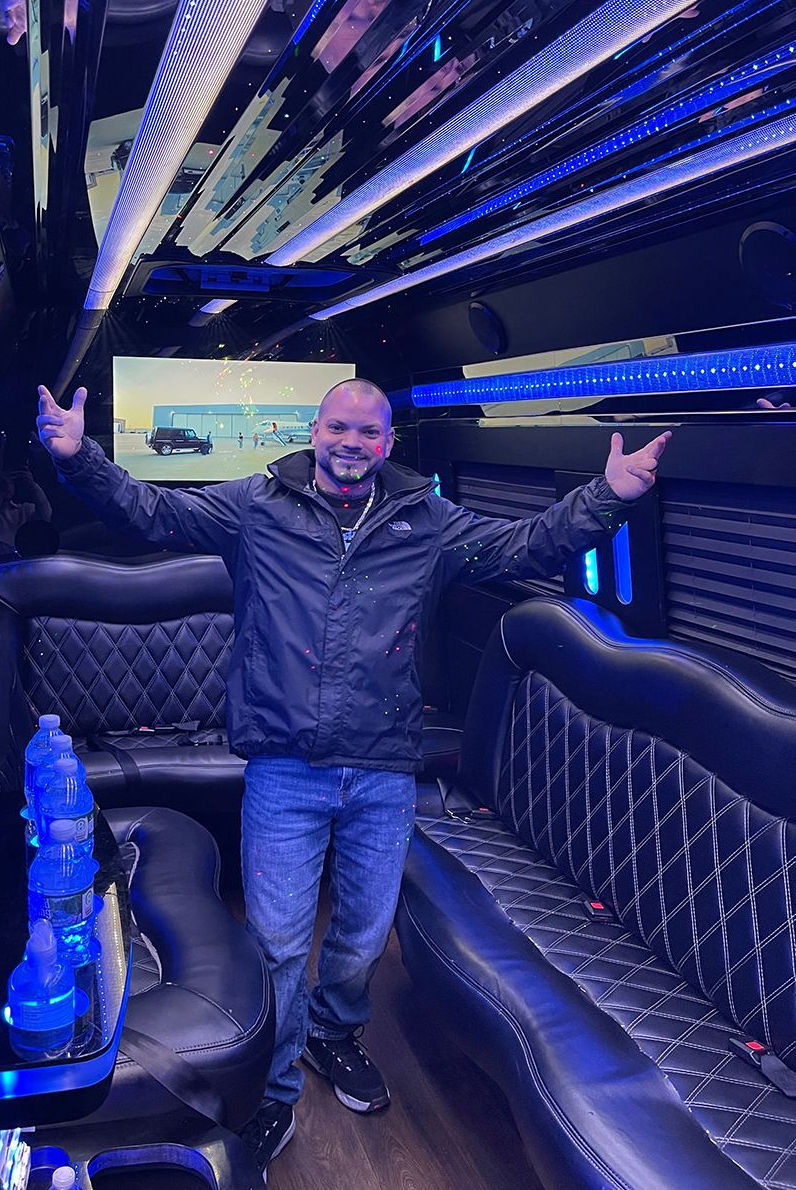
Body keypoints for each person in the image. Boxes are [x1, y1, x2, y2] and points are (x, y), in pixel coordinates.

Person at [36, 378, 670, 1179]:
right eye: (339, 426)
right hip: (285, 769)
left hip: (382, 768)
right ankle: (273, 1082)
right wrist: (77, 457)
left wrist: (607, 498)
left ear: (388, 443)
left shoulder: (429, 524)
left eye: (368, 432)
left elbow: (525, 546)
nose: (351, 443)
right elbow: (152, 511)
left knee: (367, 931)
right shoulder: (255, 506)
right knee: (276, 937)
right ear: (314, 429)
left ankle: (335, 1031)